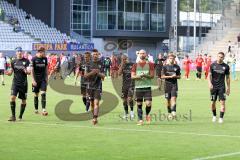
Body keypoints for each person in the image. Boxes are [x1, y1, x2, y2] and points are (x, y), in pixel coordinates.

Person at [5, 47, 31, 121]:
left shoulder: (26, 61)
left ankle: (20, 116)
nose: (19, 52)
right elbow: (11, 72)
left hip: (24, 84)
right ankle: (13, 116)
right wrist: (8, 73)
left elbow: (29, 72)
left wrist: (26, 71)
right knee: (12, 97)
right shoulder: (13, 61)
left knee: (23, 100)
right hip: (15, 83)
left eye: (20, 51)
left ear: (22, 52)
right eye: (18, 51)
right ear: (16, 52)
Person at [131, 49, 154, 125]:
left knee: (148, 104)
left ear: (146, 54)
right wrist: (140, 76)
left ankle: (147, 115)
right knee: (139, 104)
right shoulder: (135, 65)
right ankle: (140, 120)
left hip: (147, 87)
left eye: (143, 53)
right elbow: (132, 76)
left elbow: (152, 76)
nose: (142, 55)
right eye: (140, 53)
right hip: (138, 87)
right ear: (138, 55)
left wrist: (145, 75)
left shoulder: (150, 64)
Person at [208, 52, 230, 124]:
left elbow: (227, 78)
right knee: (212, 103)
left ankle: (221, 118)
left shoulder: (226, 66)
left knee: (222, 103)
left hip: (222, 87)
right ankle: (214, 116)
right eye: (219, 56)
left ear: (223, 58)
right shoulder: (212, 65)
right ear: (217, 57)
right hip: (213, 87)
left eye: (221, 57)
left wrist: (228, 87)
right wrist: (209, 83)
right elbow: (209, 75)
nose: (220, 58)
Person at [84, 49, 105, 125]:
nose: (95, 55)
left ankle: (95, 117)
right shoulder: (88, 64)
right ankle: (94, 116)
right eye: (94, 54)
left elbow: (103, 76)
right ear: (92, 55)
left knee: (96, 102)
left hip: (98, 86)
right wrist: (92, 72)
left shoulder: (101, 64)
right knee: (92, 104)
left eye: (97, 54)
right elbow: (85, 76)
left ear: (98, 55)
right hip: (89, 86)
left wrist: (98, 73)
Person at [161, 53, 181, 118]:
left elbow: (179, 76)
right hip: (167, 85)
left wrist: (176, 76)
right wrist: (170, 76)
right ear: (168, 59)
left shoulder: (177, 67)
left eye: (172, 58)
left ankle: (173, 112)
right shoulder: (165, 67)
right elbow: (162, 76)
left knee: (174, 98)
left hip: (174, 85)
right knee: (168, 100)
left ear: (174, 59)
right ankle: (169, 112)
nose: (171, 59)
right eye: (170, 58)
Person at [31, 47, 48, 115]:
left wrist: (47, 77)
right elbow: (32, 70)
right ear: (40, 52)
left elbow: (46, 68)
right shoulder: (34, 59)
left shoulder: (45, 59)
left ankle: (43, 110)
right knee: (36, 94)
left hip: (43, 79)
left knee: (43, 93)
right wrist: (33, 80)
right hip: (36, 80)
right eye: (44, 52)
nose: (45, 53)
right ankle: (36, 109)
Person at [118, 54, 135, 120]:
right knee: (124, 101)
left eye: (125, 59)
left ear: (127, 58)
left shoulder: (132, 64)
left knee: (130, 99)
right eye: (123, 59)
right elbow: (119, 74)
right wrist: (122, 64)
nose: (124, 60)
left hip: (131, 84)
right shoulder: (122, 65)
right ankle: (126, 113)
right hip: (124, 85)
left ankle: (132, 112)